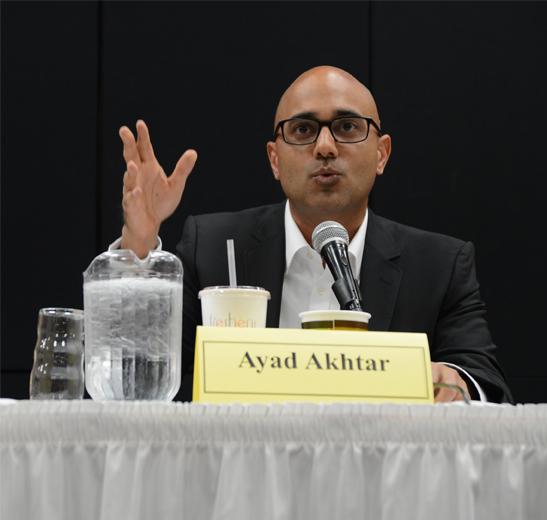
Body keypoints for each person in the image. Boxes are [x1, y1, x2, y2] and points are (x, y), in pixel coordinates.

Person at [116, 65, 513, 403]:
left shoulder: (439, 265)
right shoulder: (215, 247)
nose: (325, 147)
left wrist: (454, 382)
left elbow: (487, 385)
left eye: (347, 127)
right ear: (275, 158)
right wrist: (139, 243)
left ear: (382, 154)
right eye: (303, 129)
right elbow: (143, 373)